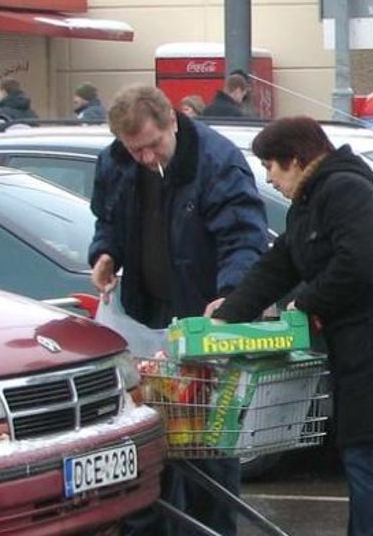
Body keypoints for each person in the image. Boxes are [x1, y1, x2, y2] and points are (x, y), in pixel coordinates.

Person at [205, 116, 373, 536]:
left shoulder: (346, 191)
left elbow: (356, 266)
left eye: (271, 167)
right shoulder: (311, 201)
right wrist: (229, 311)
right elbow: (278, 264)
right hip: (355, 353)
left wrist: (305, 303)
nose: (269, 177)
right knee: (361, 459)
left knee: (366, 461)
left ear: (295, 160)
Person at [88, 84, 268, 536]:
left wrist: (231, 294)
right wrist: (105, 253)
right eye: (136, 150)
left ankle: (212, 528)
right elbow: (107, 219)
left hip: (200, 318)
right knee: (148, 445)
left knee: (206, 446)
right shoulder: (115, 162)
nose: (146, 158)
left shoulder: (215, 161)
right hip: (144, 315)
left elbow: (242, 235)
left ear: (173, 121)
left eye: (153, 146)